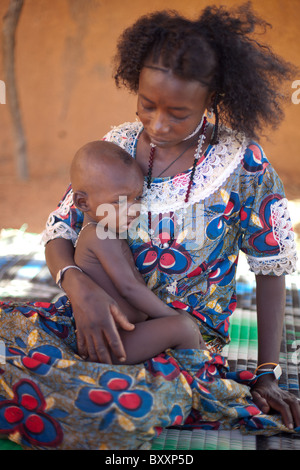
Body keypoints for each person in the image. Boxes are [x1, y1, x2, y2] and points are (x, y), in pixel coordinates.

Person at [43, 4, 300, 431]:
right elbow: (62, 230)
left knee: (114, 410)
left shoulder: (242, 165)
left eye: (178, 113)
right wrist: (78, 288)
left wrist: (267, 372)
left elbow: (270, 268)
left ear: (212, 99)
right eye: (147, 105)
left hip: (185, 347)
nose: (157, 125)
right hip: (95, 320)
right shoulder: (118, 146)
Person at [70, 140, 205, 364]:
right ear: (83, 202)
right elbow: (129, 287)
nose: (133, 210)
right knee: (182, 327)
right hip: (111, 342)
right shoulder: (97, 236)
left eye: (138, 198)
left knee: (182, 321)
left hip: (128, 333)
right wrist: (173, 317)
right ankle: (198, 382)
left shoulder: (107, 230)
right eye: (119, 202)